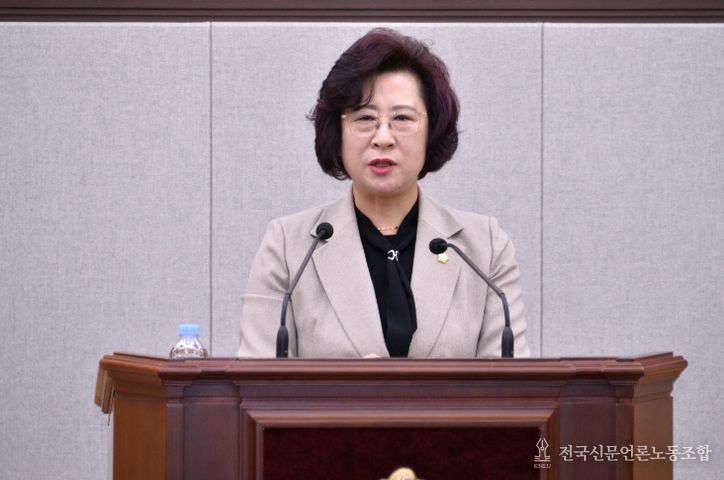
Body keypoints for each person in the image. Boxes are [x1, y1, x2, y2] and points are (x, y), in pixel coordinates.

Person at [238, 28, 530, 358]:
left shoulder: (484, 247)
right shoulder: (289, 247)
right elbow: (260, 381)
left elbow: (508, 383)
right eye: (365, 118)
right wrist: (353, 387)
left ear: (432, 130)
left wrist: (402, 388)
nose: (383, 138)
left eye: (402, 118)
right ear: (338, 133)